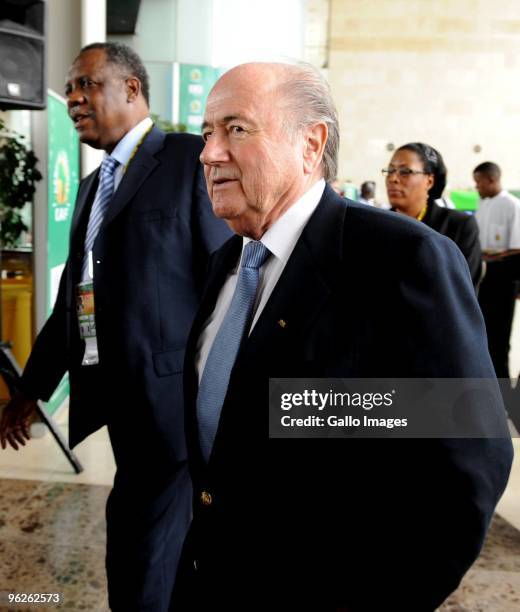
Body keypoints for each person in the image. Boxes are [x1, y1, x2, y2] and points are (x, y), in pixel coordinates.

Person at [171, 62, 513, 611]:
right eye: (208, 133)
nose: (209, 153)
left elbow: (463, 471)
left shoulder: (401, 260)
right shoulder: (226, 264)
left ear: (312, 143)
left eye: (236, 129)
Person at [0, 42, 231, 611]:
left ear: (131, 88)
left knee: (138, 552)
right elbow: (74, 305)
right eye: (70, 88)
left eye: (86, 85)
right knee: (160, 550)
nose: (74, 99)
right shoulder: (90, 188)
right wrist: (30, 390)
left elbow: (226, 284)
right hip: (121, 404)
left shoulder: (186, 161)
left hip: (177, 408)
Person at [385, 142, 482, 287]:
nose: (393, 179)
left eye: (405, 172)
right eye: (390, 171)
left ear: (429, 181)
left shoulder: (458, 226)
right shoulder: (378, 224)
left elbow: (463, 290)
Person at [473, 161, 520, 380]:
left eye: (479, 183)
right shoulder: (482, 205)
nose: (477, 188)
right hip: (481, 278)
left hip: (502, 280)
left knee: (499, 340)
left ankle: (503, 397)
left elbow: (516, 249)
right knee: (482, 338)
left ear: (492, 179)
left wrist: (487, 259)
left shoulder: (513, 205)